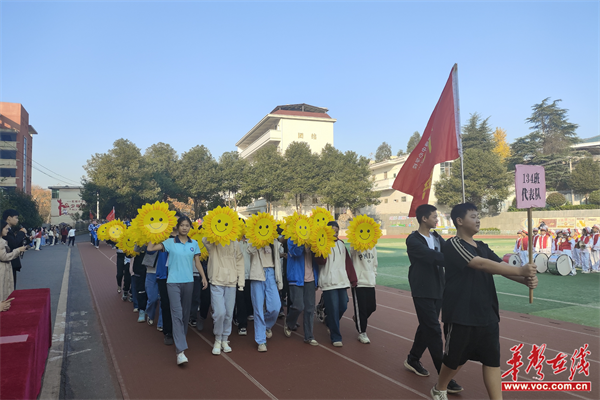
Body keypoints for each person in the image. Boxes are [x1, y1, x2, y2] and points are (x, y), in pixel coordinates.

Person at [431, 203, 537, 400]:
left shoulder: (482, 246)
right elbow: (479, 263)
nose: (478, 219)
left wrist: (525, 280)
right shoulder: (453, 245)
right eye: (473, 216)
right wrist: (520, 271)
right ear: (460, 221)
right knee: (454, 359)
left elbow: (499, 266)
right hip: (461, 313)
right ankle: (440, 387)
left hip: (487, 312)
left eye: (478, 216)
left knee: (492, 360)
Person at [405, 204, 462, 394]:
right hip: (422, 290)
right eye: (434, 216)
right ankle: (443, 376)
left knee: (426, 326)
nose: (437, 219)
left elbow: (449, 251)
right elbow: (432, 257)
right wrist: (453, 260)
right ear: (424, 219)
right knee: (434, 330)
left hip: (439, 289)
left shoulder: (437, 237)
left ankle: (413, 358)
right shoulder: (413, 240)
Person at [148, 216, 208, 365]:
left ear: (190, 227)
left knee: (185, 315)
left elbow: (197, 263)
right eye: (182, 225)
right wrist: (154, 233)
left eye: (187, 225)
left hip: (189, 282)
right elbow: (150, 248)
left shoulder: (194, 243)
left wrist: (204, 277)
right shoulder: (169, 242)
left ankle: (180, 338)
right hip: (173, 282)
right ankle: (180, 351)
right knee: (177, 313)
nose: (185, 228)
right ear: (178, 227)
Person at [315, 221, 357, 347]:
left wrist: (353, 279)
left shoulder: (341, 244)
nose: (335, 233)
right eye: (332, 230)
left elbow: (348, 263)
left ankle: (329, 321)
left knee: (343, 306)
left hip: (341, 281)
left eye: (337, 231)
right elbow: (320, 261)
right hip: (329, 282)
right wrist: (322, 246)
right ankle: (336, 336)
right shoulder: (321, 244)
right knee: (333, 309)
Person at [202, 233, 245, 355]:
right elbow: (205, 239)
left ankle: (225, 339)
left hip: (231, 282)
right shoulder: (214, 242)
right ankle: (217, 338)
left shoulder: (235, 243)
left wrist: (240, 283)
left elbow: (240, 263)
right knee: (219, 312)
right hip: (216, 281)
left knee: (229, 313)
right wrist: (215, 231)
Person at [245, 235, 282, 352]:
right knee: (258, 308)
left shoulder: (274, 241)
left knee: (276, 307)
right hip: (257, 275)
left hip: (271, 274)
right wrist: (258, 240)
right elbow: (249, 250)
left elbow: (278, 258)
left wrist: (279, 281)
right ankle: (261, 341)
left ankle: (266, 326)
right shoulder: (253, 239)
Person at [284, 236, 319, 345]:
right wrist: (302, 242)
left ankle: (309, 336)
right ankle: (289, 323)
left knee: (310, 308)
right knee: (298, 306)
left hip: (311, 278)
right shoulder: (291, 239)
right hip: (296, 277)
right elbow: (296, 252)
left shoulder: (313, 238)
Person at [349, 236, 378, 345]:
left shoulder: (373, 246)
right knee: (361, 308)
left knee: (372, 307)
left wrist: (374, 275)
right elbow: (352, 252)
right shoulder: (355, 246)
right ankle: (362, 332)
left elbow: (375, 263)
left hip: (370, 281)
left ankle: (358, 318)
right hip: (359, 282)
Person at [0, 220, 27, 301]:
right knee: (3, 288)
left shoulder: (2, 240)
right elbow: (4, 257)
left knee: (6, 287)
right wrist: (17, 250)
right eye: (6, 229)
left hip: (5, 267)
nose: (7, 231)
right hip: (2, 268)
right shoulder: (1, 242)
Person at [2, 209, 29, 289]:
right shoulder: (4, 230)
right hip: (8, 262)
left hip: (11, 261)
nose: (17, 220)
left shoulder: (9, 229)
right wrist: (21, 233)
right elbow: (13, 244)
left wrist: (27, 240)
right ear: (9, 218)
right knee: (9, 287)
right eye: (16, 218)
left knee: (11, 286)